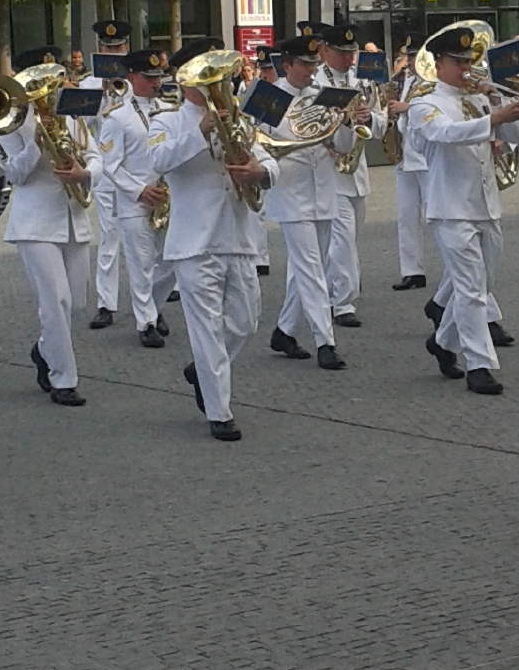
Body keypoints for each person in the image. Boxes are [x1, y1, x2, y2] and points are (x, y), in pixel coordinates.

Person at [153, 39, 279, 441]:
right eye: (204, 75)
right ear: (184, 80)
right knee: (206, 328)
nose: (213, 83)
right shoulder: (166, 121)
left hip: (238, 235)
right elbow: (157, 161)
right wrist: (200, 131)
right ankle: (219, 412)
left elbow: (269, 159)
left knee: (246, 322)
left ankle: (202, 371)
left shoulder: (239, 117)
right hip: (194, 241)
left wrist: (260, 172)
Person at [407, 24, 519, 395]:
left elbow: (514, 137)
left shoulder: (478, 100)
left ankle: (443, 341)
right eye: (458, 62)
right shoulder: (424, 103)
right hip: (450, 208)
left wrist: (499, 102)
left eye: (468, 61)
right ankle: (480, 365)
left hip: (486, 204)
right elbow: (445, 134)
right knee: (472, 289)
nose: (465, 69)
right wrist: (493, 119)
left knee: (483, 285)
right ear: (439, 63)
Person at [0, 47, 102, 407]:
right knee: (56, 300)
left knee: (76, 302)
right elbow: (13, 174)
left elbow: (96, 155)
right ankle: (63, 379)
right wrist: (35, 143)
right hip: (35, 223)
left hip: (73, 217)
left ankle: (44, 350)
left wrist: (84, 173)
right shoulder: (11, 118)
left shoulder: (70, 112)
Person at [260, 32, 347, 371]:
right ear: (287, 65)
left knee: (309, 267)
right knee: (311, 269)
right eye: (306, 65)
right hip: (290, 192)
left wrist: (346, 121)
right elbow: (256, 142)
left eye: (314, 64)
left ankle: (284, 331)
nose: (312, 70)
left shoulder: (322, 95)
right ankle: (325, 341)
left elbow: (341, 144)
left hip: (323, 188)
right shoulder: (269, 96)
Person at [97, 48, 176, 347]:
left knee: (171, 261)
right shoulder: (118, 117)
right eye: (149, 77)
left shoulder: (169, 109)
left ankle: (153, 306)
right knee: (141, 263)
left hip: (167, 197)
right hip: (136, 201)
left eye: (158, 77)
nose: (156, 83)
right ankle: (146, 322)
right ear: (131, 77)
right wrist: (139, 190)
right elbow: (110, 165)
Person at [314, 21, 386, 327]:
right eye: (342, 52)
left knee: (345, 239)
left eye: (351, 52)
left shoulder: (363, 81)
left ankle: (329, 290)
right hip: (329, 171)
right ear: (325, 51)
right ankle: (343, 302)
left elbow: (381, 123)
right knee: (342, 240)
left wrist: (368, 118)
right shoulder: (316, 83)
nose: (348, 58)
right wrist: (338, 123)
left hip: (357, 172)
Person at [81, 16, 131, 330]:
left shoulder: (136, 80)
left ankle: (150, 307)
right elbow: (81, 128)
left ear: (126, 48)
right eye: (107, 48)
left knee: (144, 243)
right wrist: (99, 95)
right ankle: (106, 303)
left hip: (136, 171)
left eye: (118, 48)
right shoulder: (88, 84)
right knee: (109, 239)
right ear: (99, 48)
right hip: (106, 171)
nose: (113, 53)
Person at [387, 37, 429, 292]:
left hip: (427, 158)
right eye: (409, 57)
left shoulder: (433, 81)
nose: (410, 62)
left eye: (414, 57)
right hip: (406, 155)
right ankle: (412, 270)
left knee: (437, 217)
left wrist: (405, 107)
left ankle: (454, 267)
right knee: (406, 216)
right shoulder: (409, 81)